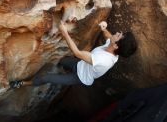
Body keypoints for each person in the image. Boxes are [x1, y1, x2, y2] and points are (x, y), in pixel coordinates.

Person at [9, 21, 137, 88]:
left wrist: (64, 33)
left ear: (116, 45)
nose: (118, 32)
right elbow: (109, 37)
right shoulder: (114, 48)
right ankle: (62, 67)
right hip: (80, 64)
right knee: (62, 60)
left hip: (80, 77)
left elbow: (77, 53)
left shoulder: (103, 60)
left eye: (119, 35)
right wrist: (104, 29)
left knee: (46, 78)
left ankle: (22, 84)